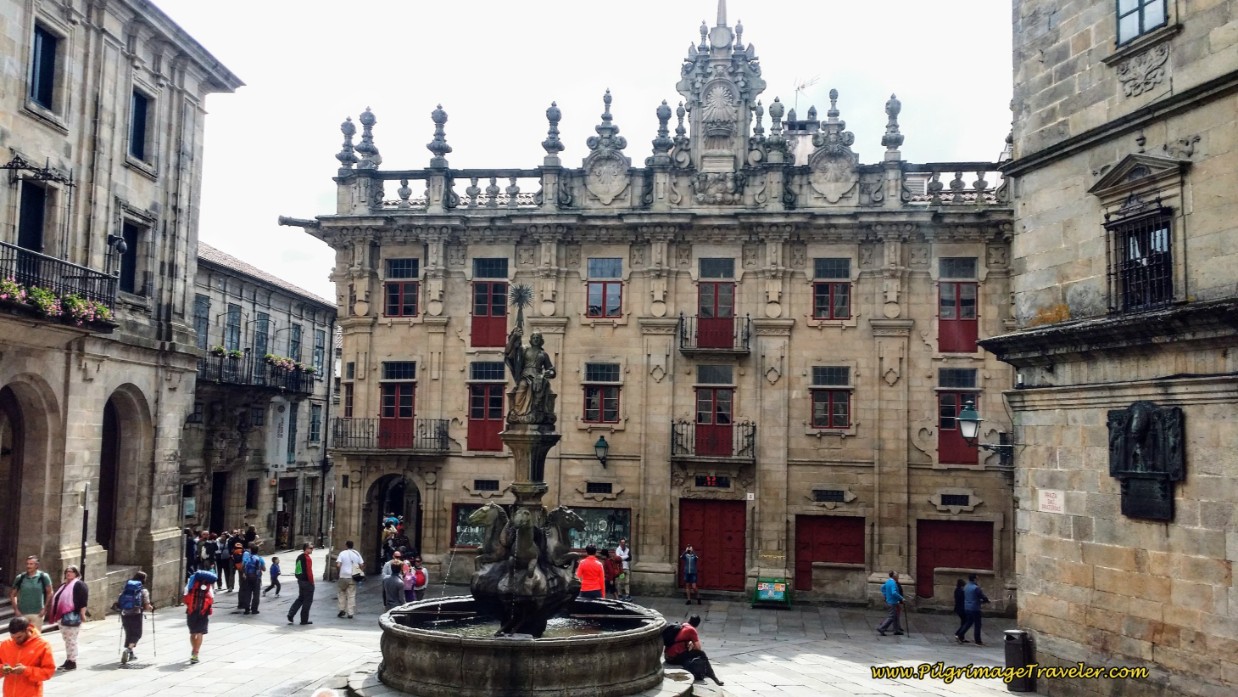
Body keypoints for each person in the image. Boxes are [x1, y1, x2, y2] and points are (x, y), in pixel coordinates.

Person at [0, 617, 55, 696]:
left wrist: (26, 670)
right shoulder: (5, 644)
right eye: (13, 637)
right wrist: (2, 669)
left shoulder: (43, 645)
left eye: (19, 637)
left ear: (27, 630)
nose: (15, 640)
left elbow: (48, 672)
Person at [663, 615, 724, 686]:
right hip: (673, 659)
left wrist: (690, 642)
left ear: (689, 620)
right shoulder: (692, 630)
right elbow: (698, 648)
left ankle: (706, 672)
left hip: (667, 656)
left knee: (691, 655)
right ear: (698, 624)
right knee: (701, 654)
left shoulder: (683, 625)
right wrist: (692, 643)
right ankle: (713, 676)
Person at [47, 566, 87, 671]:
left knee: (71, 640)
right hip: (62, 617)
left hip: (72, 616)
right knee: (67, 640)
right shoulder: (64, 585)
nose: (68, 573)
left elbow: (83, 601)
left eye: (71, 572)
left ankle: (72, 661)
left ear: (76, 573)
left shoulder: (79, 585)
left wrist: (83, 614)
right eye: (67, 572)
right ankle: (69, 659)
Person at [117, 571, 152, 665]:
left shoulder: (126, 588)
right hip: (136, 614)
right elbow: (147, 606)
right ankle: (128, 650)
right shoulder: (143, 591)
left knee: (129, 633)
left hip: (124, 613)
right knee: (137, 634)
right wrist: (151, 608)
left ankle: (131, 654)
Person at [184, 568, 217, 664]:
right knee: (200, 633)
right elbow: (212, 599)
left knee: (193, 633)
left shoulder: (191, 582)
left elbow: (185, 597)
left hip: (191, 611)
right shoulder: (208, 586)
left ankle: (193, 650)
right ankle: (196, 653)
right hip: (203, 612)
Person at [9, 557, 52, 627]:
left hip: (37, 613)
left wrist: (45, 608)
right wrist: (16, 609)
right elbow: (13, 595)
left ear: (36, 565)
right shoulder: (20, 577)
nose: (28, 566)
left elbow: (50, 593)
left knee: (35, 636)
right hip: (22, 613)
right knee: (23, 636)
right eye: (27, 564)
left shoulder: (43, 577)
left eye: (31, 564)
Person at [955, 573, 991, 645]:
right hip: (975, 608)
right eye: (977, 578)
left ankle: (959, 634)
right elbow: (981, 596)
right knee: (977, 624)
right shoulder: (975, 588)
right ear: (974, 579)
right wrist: (986, 600)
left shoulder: (966, 587)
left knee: (968, 622)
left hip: (967, 607)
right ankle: (978, 641)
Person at [287, 542, 316, 626]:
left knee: (300, 598)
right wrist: (312, 582)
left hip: (300, 581)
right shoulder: (307, 558)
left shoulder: (299, 557)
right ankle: (304, 620)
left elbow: (298, 569)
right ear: (306, 549)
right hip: (307, 582)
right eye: (310, 548)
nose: (312, 549)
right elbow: (309, 571)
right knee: (307, 601)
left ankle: (291, 614)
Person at [335, 540, 365, 619]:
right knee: (351, 595)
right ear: (353, 545)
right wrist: (360, 571)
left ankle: (342, 609)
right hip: (352, 576)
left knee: (341, 593)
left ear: (346, 545)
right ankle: (350, 612)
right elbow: (362, 564)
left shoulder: (342, 553)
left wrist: (339, 572)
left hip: (343, 576)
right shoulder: (356, 553)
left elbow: (338, 565)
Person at [876, 571, 905, 636]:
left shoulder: (888, 581)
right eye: (897, 575)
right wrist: (901, 598)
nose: (898, 576)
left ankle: (896, 630)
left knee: (896, 616)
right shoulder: (893, 583)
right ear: (895, 576)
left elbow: (882, 587)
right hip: (892, 602)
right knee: (892, 616)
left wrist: (886, 595)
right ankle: (881, 628)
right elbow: (894, 592)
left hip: (890, 601)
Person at [239, 543, 266, 615]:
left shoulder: (248, 558)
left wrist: (245, 574)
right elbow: (264, 569)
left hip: (248, 577)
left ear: (251, 550)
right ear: (257, 551)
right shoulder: (260, 559)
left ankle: (246, 609)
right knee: (256, 594)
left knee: (247, 593)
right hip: (257, 578)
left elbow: (242, 567)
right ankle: (254, 609)